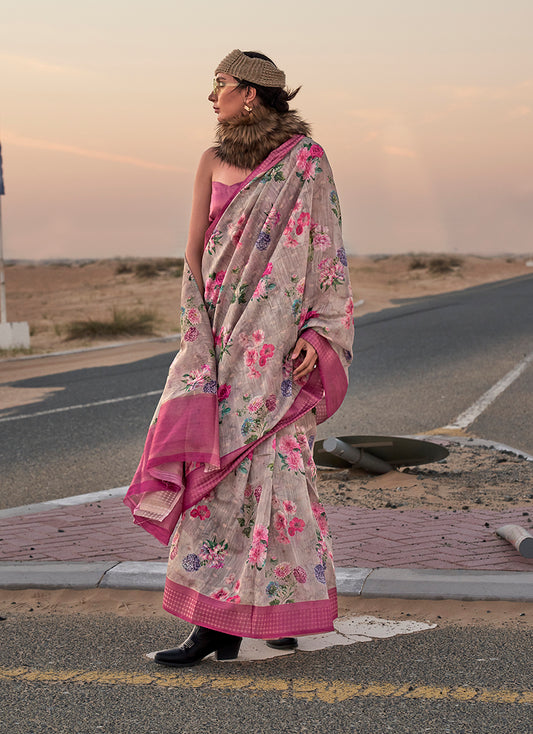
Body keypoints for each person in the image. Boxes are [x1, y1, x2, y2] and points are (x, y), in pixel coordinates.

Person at [124, 49, 354, 666]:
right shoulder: (211, 160)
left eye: (220, 85)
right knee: (212, 469)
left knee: (279, 477)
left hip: (278, 347)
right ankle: (214, 625)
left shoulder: (305, 162)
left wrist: (318, 331)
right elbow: (195, 252)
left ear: (251, 94)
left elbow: (325, 252)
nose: (212, 97)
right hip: (220, 341)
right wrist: (196, 336)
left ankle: (275, 610)